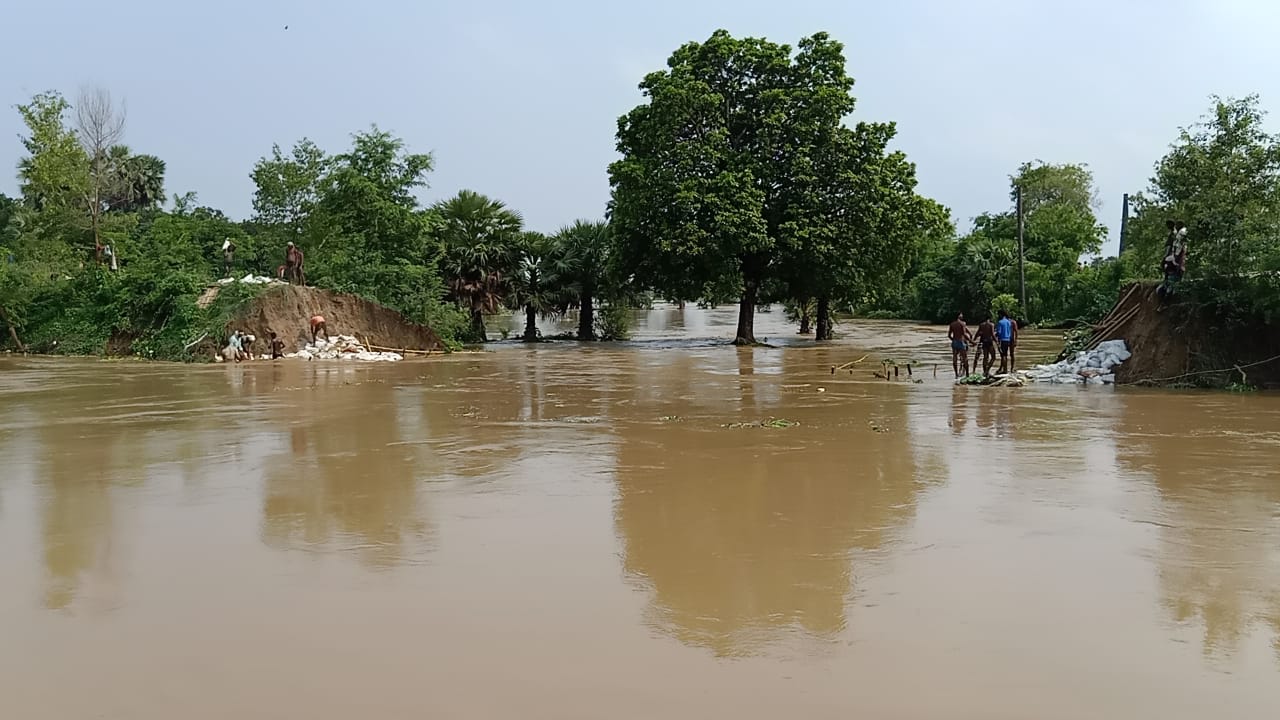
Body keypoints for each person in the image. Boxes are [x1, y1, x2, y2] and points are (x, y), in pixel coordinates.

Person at [1157, 221, 1188, 306]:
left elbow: (1173, 248)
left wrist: (1169, 258)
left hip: (1175, 262)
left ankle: (1165, 304)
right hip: (1173, 261)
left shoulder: (1177, 235)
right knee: (1163, 288)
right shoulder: (1175, 234)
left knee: (1170, 289)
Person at [948, 312, 971, 379]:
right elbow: (964, 334)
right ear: (959, 316)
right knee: (965, 358)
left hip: (954, 342)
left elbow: (949, 335)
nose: (962, 315)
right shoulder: (963, 323)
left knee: (955, 359)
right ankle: (967, 374)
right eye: (961, 314)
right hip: (961, 342)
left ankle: (956, 375)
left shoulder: (952, 324)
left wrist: (953, 340)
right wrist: (971, 341)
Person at [996, 309, 1019, 374]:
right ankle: (1002, 367)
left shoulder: (1012, 322)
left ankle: (1012, 368)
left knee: (1010, 354)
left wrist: (1015, 340)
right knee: (1003, 354)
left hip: (1010, 339)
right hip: (1008, 338)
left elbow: (1016, 332)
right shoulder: (1006, 322)